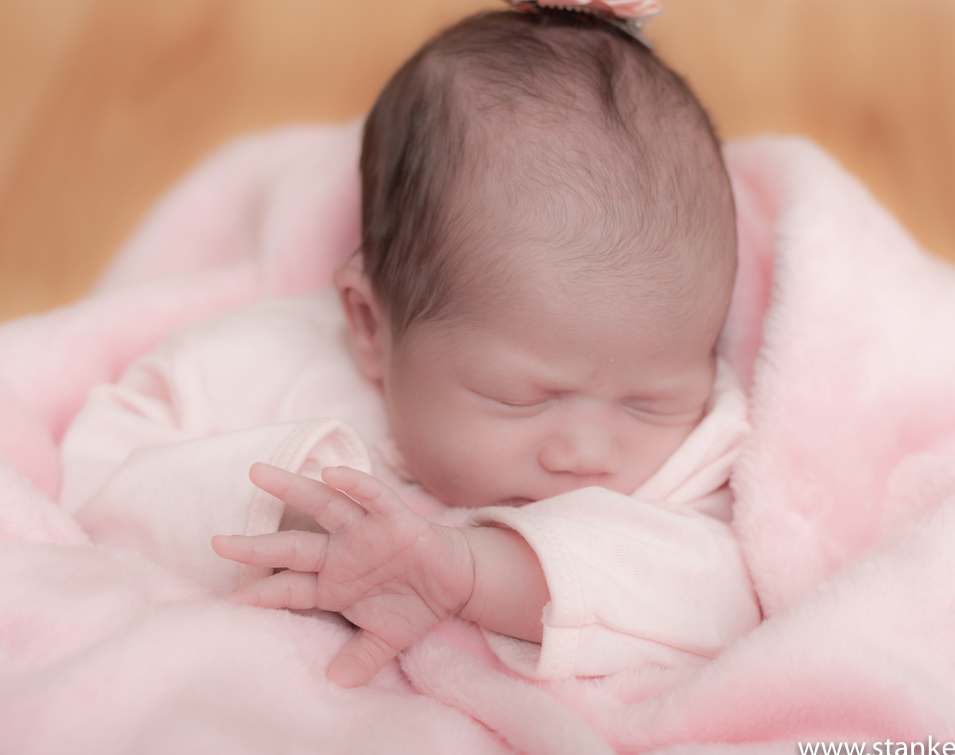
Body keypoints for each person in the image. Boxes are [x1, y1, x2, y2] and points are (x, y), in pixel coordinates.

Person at [59, 3, 760, 690]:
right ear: (371, 326)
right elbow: (104, 472)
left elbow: (719, 598)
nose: (588, 453)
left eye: (650, 404)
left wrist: (475, 572)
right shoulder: (269, 364)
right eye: (524, 397)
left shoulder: (702, 451)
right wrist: (292, 525)